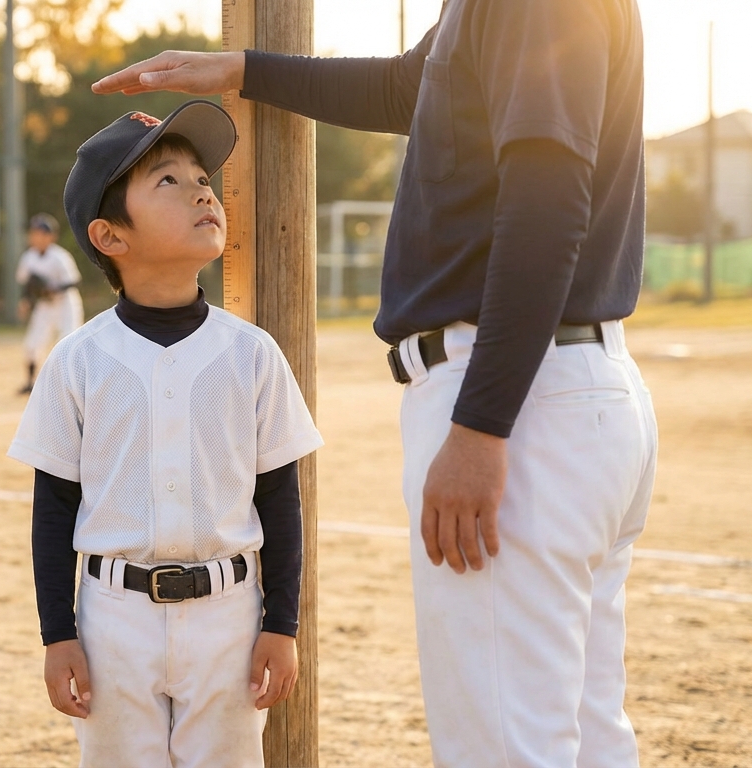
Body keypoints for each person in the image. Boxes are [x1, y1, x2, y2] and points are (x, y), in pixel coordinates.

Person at [94, 1, 658, 765]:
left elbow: (548, 206)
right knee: (587, 736)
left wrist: (482, 425)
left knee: (506, 746)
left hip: (516, 397)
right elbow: (407, 88)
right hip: (567, 388)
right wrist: (243, 69)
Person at [7, 100, 324, 767]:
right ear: (109, 237)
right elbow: (53, 506)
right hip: (111, 620)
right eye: (168, 182)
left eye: (203, 178)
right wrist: (57, 634)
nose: (203, 190)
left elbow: (280, 498)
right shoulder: (79, 359)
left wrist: (282, 624)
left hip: (229, 619)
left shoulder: (253, 352)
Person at [15, 213, 83, 394]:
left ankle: (70, 384)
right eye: (34, 232)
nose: (36, 236)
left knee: (68, 342)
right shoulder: (29, 257)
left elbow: (74, 281)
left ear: (50, 236)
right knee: (32, 343)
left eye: (40, 233)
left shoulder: (60, 256)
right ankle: (31, 382)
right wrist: (26, 301)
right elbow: (27, 283)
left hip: (65, 304)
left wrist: (55, 289)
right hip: (45, 305)